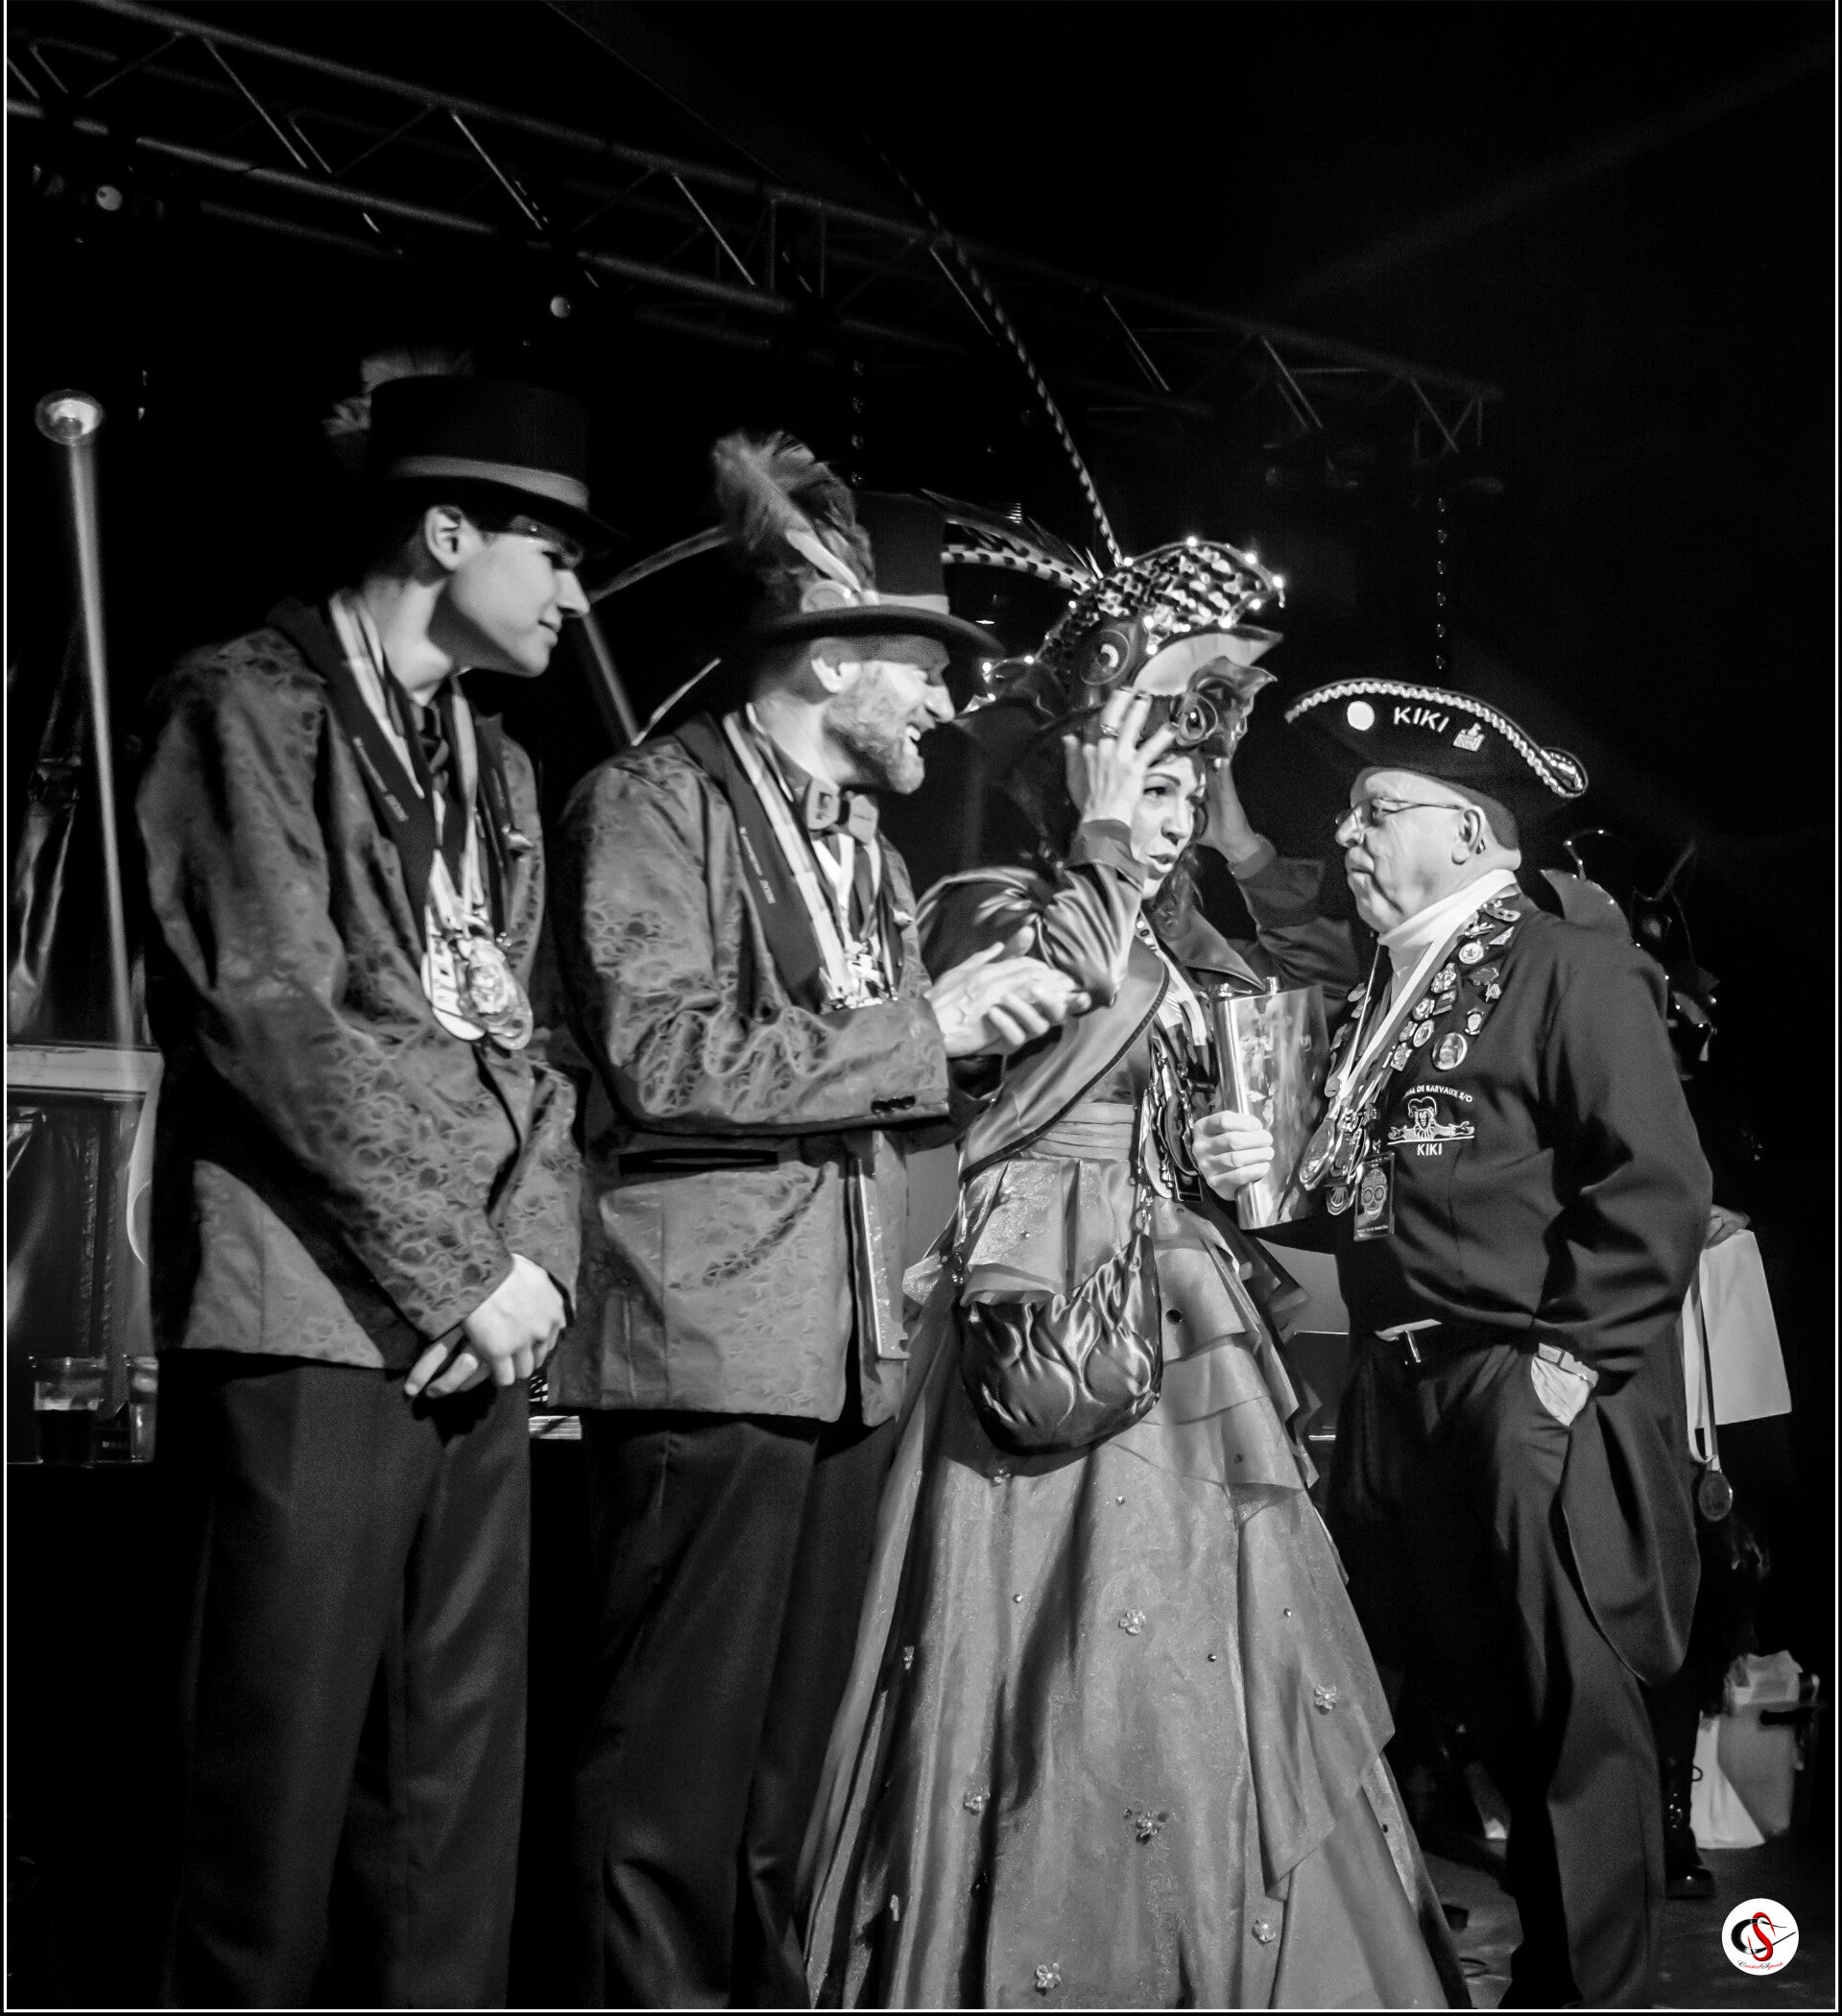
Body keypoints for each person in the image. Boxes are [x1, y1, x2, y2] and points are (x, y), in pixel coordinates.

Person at [801, 543, 1467, 2010]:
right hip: (1040, 1298)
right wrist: (1101, 832)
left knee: (1204, 1657)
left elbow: (1195, 1090)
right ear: (1083, 789)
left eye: (1182, 795)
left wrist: (1227, 1157)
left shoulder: (1169, 934)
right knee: (1034, 1654)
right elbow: (1046, 1021)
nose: (1168, 824)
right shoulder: (991, 902)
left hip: (1167, 1296)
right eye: (1147, 790)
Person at [549, 435, 1088, 2008]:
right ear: (834, 653)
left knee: (790, 1778)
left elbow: (863, 1065)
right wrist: (931, 1029)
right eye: (925, 667)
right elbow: (661, 1058)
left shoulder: (860, 843)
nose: (945, 700)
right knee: (670, 1773)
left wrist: (973, 1049)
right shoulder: (652, 800)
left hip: (849, 1354)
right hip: (708, 1343)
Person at [137, 372, 599, 2005]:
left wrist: (535, 1268)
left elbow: (533, 1042)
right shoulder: (244, 702)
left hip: (485, 1325)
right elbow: (273, 1018)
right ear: (446, 531)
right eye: (554, 553)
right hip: (314, 1310)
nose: (573, 595)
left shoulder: (498, 766)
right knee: (265, 1803)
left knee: (447, 1800)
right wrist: (464, 1270)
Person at [1283, 677, 1711, 2007]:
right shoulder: (1390, 992)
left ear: (1468, 832)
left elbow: (1655, 1185)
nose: (1346, 833)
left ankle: (1594, 1997)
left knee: (1573, 1729)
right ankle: (1541, 1985)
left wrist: (1563, 1371)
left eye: (1377, 810)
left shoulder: (1567, 965)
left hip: (1523, 1381)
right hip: (1406, 1387)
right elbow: (1383, 1193)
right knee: (1486, 1716)